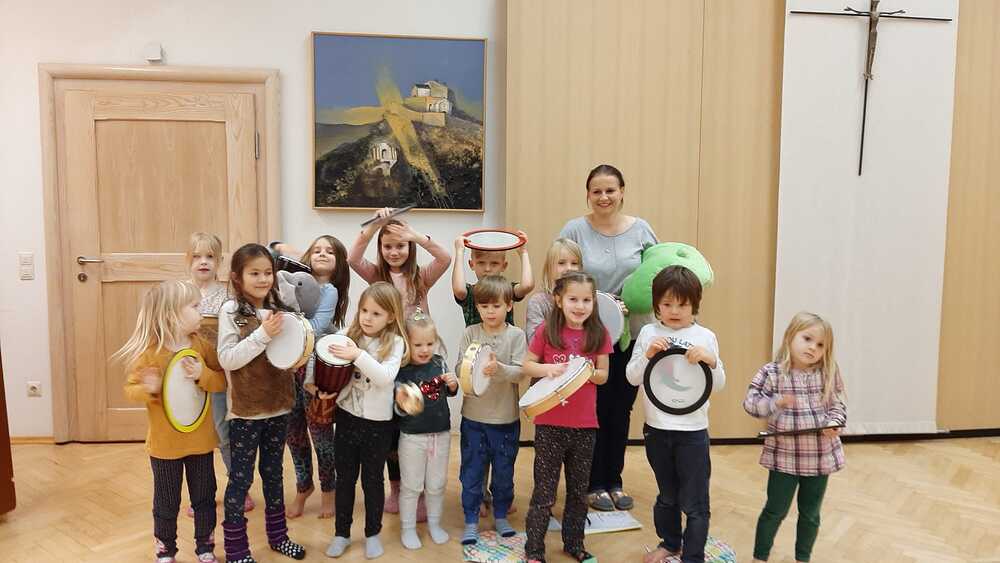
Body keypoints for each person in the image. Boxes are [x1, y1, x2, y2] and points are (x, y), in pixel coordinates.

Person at [559, 164, 657, 512]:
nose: (604, 197)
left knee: (620, 409)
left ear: (622, 192)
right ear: (588, 194)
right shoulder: (574, 229)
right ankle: (591, 483)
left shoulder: (642, 229)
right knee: (593, 410)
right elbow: (561, 278)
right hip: (588, 337)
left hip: (633, 337)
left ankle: (614, 480)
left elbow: (657, 277)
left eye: (610, 190)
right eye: (596, 191)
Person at [115, 280, 227, 563]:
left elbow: (221, 381)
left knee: (205, 498)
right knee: (166, 502)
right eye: (195, 306)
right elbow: (130, 389)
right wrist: (149, 388)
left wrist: (202, 374)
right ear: (172, 314)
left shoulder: (202, 346)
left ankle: (205, 547)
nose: (201, 311)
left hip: (200, 442)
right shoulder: (150, 353)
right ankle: (165, 549)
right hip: (165, 446)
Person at [625, 266, 726, 563]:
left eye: (682, 304)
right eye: (667, 304)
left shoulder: (705, 336)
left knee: (695, 502)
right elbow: (632, 377)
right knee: (667, 495)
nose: (674, 311)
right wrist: (647, 355)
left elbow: (719, 384)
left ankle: (693, 556)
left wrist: (711, 361)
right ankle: (670, 542)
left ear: (695, 305)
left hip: (693, 431)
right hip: (656, 428)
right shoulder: (648, 333)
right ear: (656, 305)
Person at [217, 244, 306, 563]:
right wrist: (263, 335)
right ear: (237, 278)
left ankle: (278, 537)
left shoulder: (280, 309)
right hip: (246, 412)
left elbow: (292, 350)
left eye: (268, 272)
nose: (263, 279)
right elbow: (228, 359)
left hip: (279, 407)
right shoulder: (231, 312)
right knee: (241, 479)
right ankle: (236, 549)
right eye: (254, 273)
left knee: (274, 476)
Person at [522, 272, 612, 563]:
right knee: (544, 492)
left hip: (585, 427)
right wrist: (547, 369)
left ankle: (574, 544)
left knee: (578, 492)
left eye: (586, 300)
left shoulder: (599, 334)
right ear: (559, 300)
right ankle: (534, 550)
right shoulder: (546, 331)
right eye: (573, 299)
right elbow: (527, 365)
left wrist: (588, 372)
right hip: (550, 426)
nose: (580, 306)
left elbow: (603, 375)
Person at [744, 312, 846, 563]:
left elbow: (838, 406)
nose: (813, 348)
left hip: (819, 458)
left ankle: (803, 558)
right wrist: (775, 402)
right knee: (775, 511)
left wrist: (834, 422)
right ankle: (760, 557)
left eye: (820, 345)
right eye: (807, 339)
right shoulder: (772, 372)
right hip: (784, 458)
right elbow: (750, 404)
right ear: (790, 336)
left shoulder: (828, 372)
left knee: (810, 514)